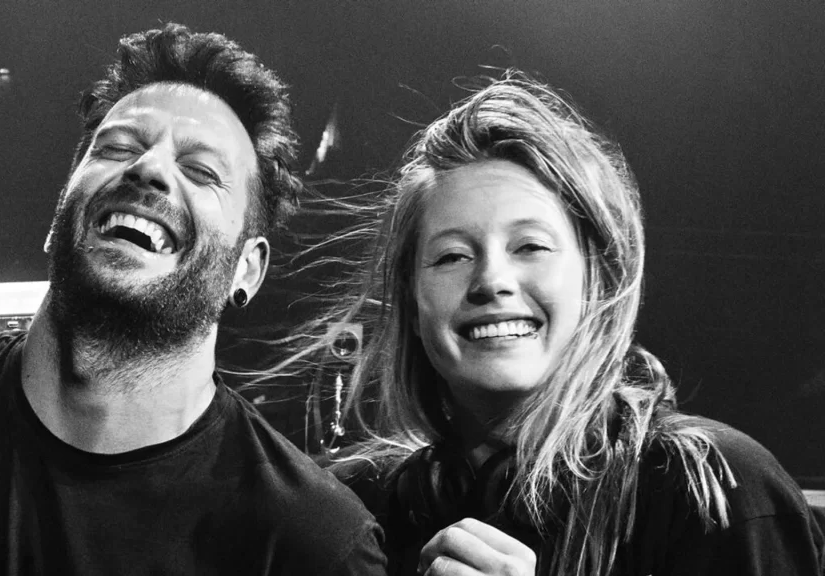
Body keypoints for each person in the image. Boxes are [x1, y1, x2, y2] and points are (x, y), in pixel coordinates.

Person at [0, 23, 386, 575]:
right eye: (117, 147)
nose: (149, 167)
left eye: (201, 171)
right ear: (59, 217)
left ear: (247, 269)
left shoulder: (312, 542)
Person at [292, 72, 825, 575]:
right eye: (452, 256)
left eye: (531, 246)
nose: (491, 281)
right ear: (410, 304)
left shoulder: (721, 492)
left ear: (598, 279)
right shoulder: (352, 514)